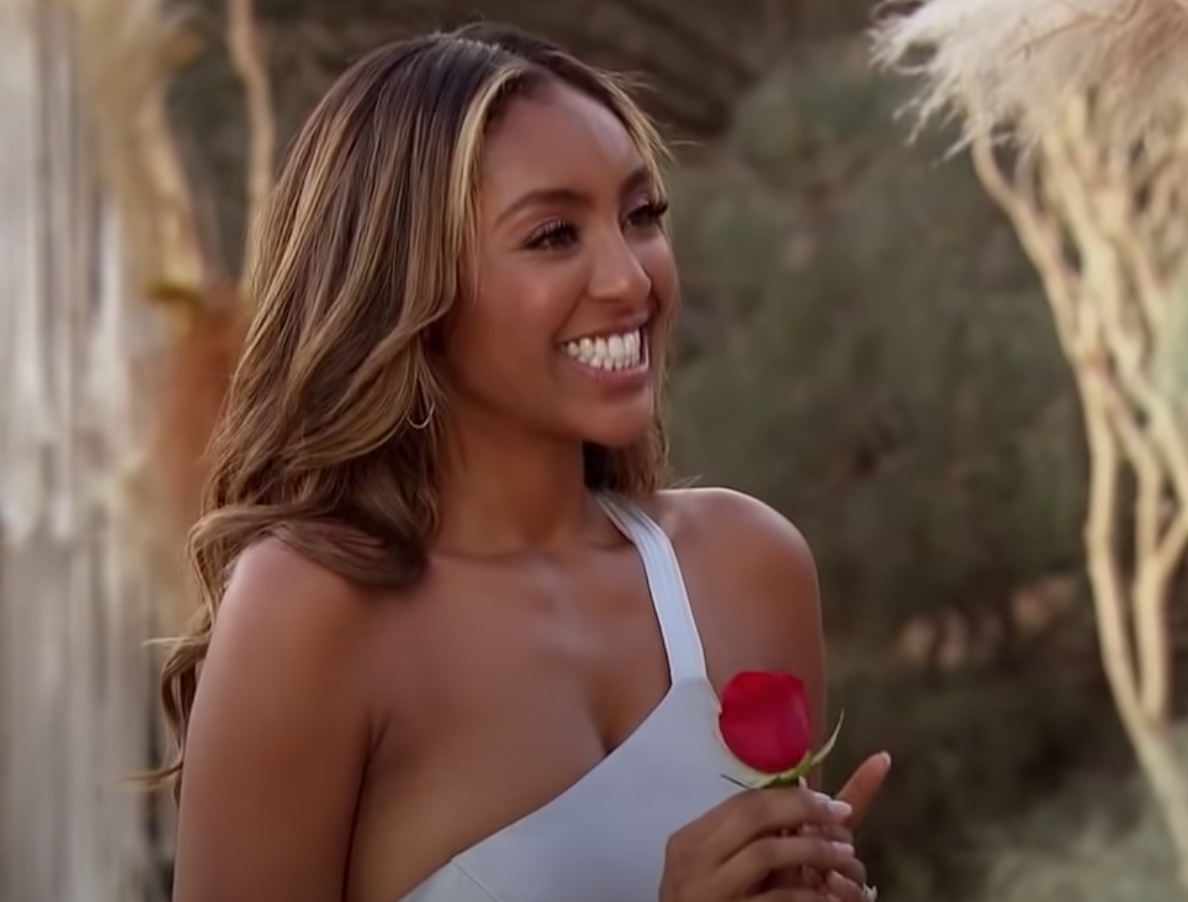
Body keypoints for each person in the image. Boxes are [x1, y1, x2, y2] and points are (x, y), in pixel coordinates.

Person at [156, 21, 892, 902]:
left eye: (640, 215)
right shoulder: (312, 615)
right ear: (411, 288)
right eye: (553, 235)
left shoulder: (746, 569)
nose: (630, 278)